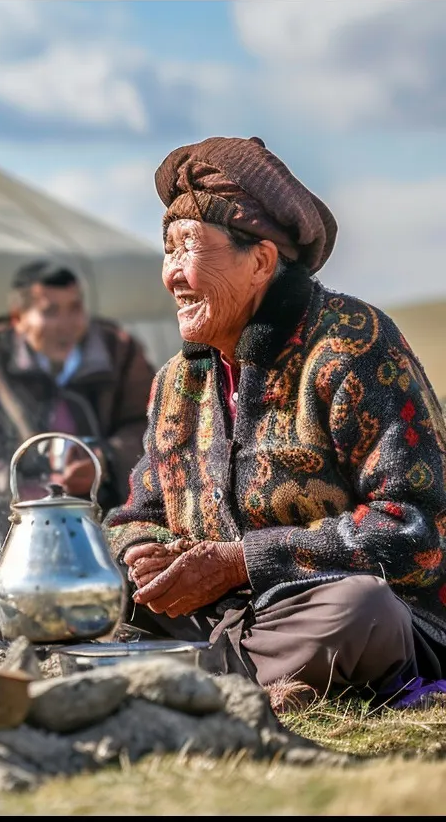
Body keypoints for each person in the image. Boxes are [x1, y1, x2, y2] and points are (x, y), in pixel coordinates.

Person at [105, 135, 446, 708]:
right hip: (219, 622)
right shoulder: (178, 383)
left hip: (336, 616)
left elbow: (418, 527)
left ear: (261, 260)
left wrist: (242, 562)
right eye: (167, 249)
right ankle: (229, 678)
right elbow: (133, 516)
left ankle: (186, 679)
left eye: (189, 247)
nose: (172, 275)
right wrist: (151, 557)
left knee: (362, 610)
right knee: (96, 592)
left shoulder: (351, 348)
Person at [0, 262, 154, 531]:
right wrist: (6, 476)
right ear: (18, 319)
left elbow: (150, 421)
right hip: (14, 518)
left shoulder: (118, 351)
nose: (68, 325)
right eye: (51, 312)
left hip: (106, 513)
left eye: (75, 308)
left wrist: (104, 462)